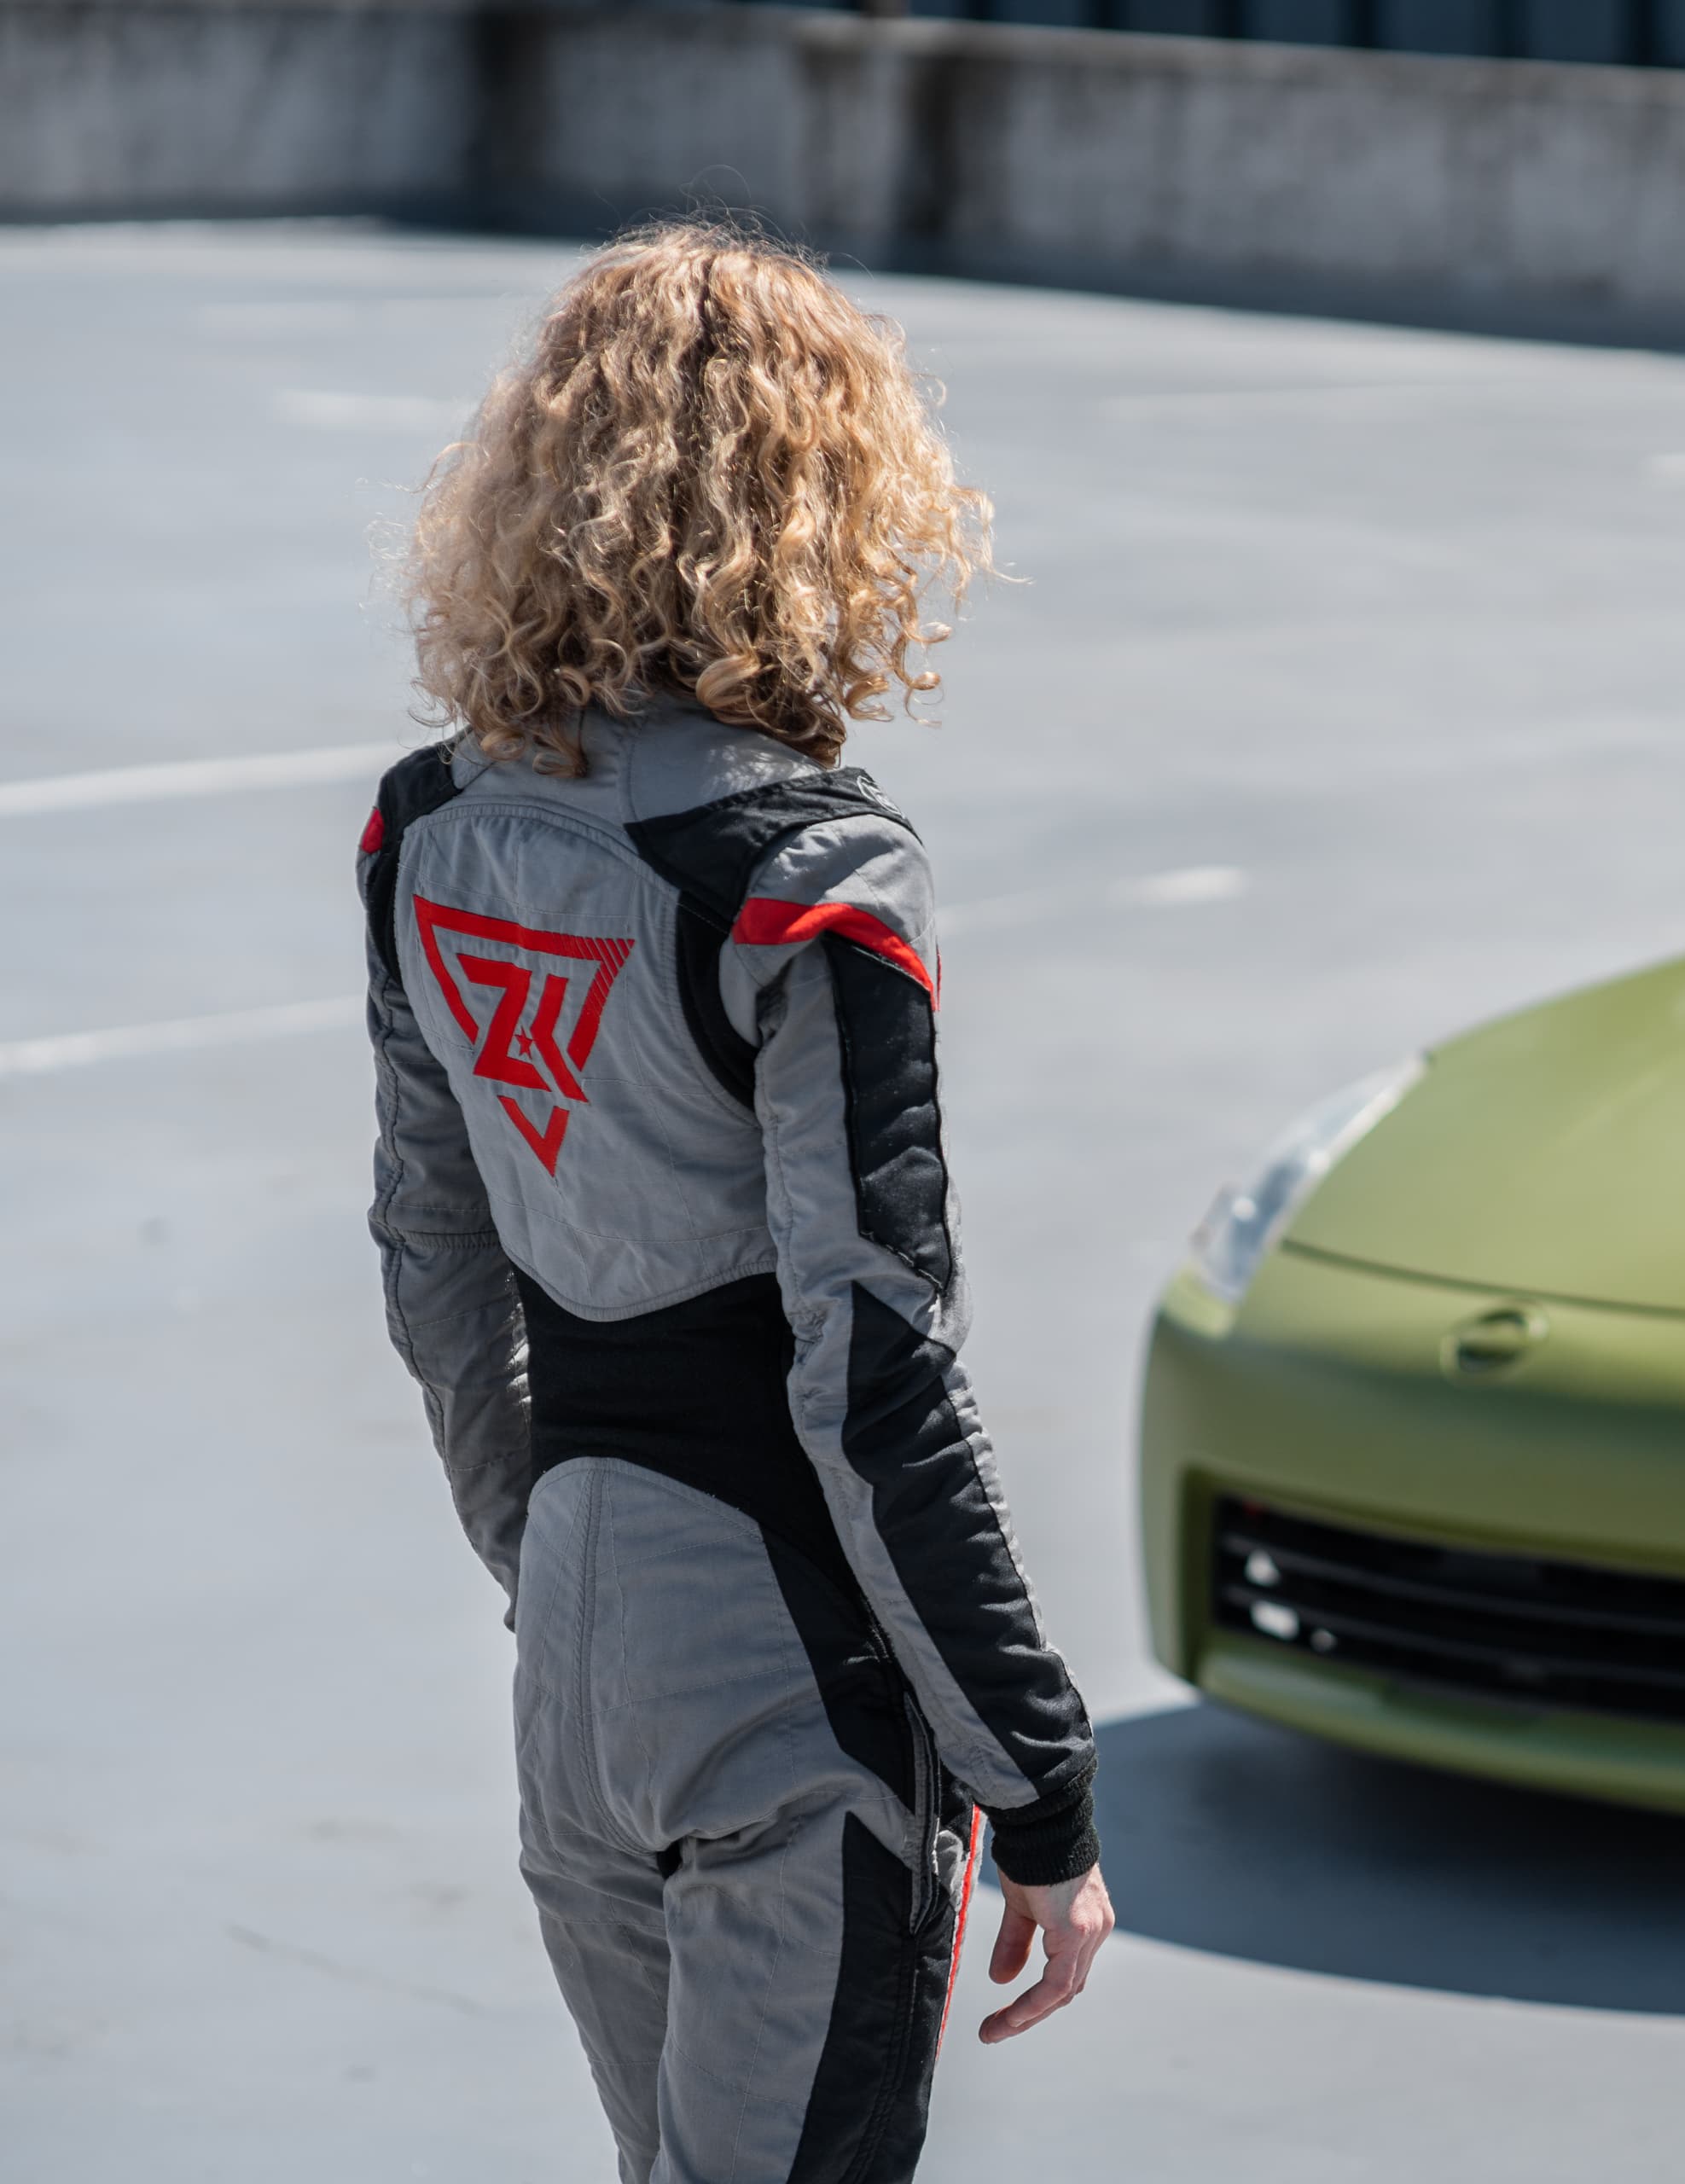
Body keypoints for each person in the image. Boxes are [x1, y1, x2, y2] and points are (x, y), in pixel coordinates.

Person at [360, 220, 1110, 2182]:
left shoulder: (425, 827)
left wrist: (554, 1564)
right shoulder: (807, 867)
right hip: (785, 1670)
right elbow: (875, 1367)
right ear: (826, 499)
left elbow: (437, 1273)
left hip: (575, 1640)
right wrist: (1039, 1777)